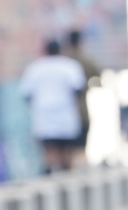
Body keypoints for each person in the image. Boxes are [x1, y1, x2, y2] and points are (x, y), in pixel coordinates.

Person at [19, 38, 87, 173]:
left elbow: (26, 94)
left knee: (49, 149)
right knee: (66, 151)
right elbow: (79, 88)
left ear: (44, 50)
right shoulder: (70, 66)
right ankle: (66, 175)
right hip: (66, 114)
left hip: (44, 115)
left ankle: (50, 172)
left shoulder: (35, 68)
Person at [63, 28, 101, 165]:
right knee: (80, 151)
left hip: (62, 116)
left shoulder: (63, 61)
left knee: (65, 155)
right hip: (81, 112)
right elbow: (98, 80)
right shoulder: (85, 61)